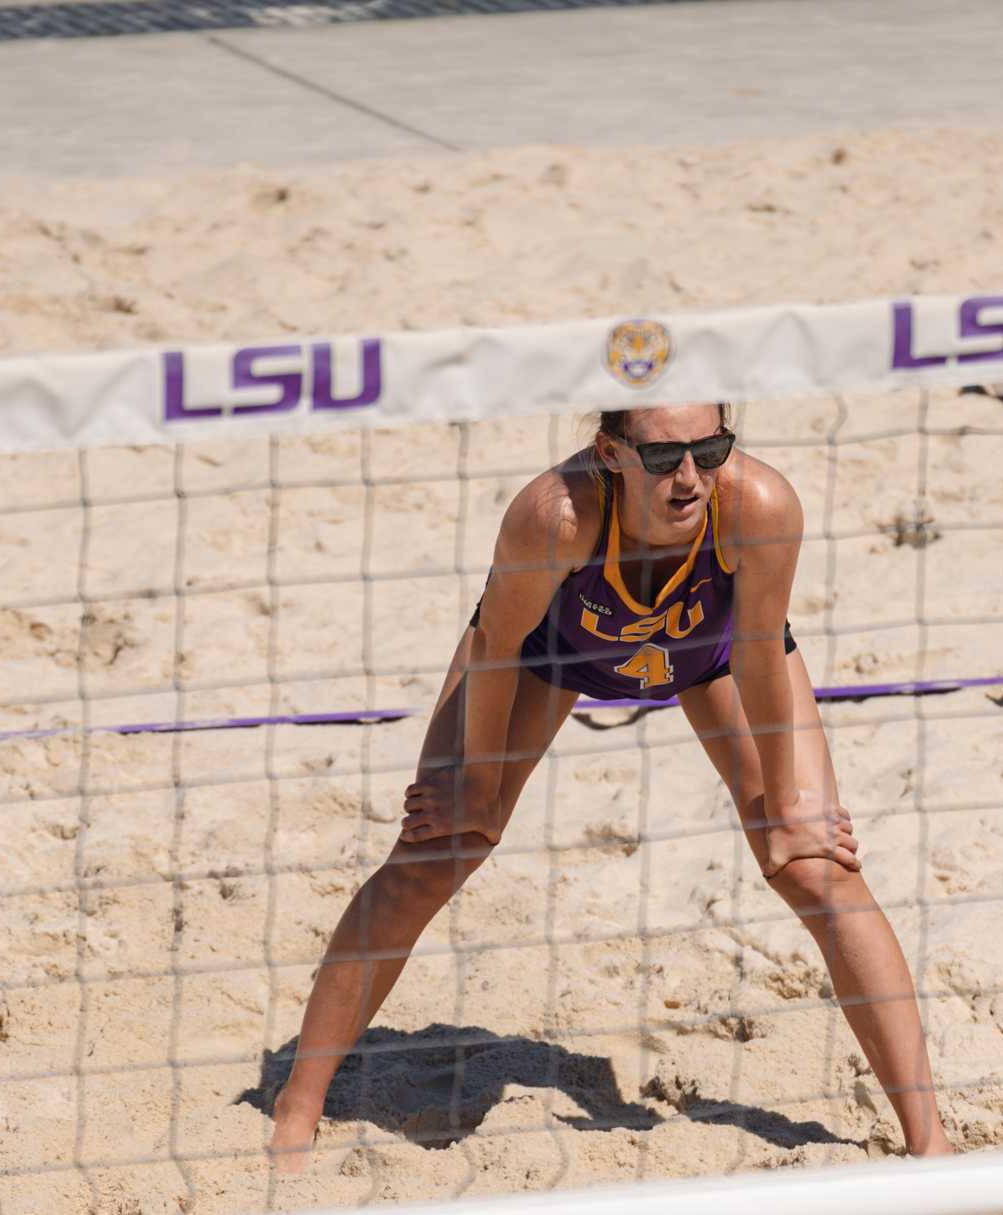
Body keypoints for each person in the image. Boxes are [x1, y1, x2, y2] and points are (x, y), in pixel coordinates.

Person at [265, 402, 953, 1169]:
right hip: (545, 655)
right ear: (610, 452)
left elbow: (760, 650)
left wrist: (789, 806)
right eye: (663, 458)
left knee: (817, 868)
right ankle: (298, 1104)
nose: (690, 476)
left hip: (712, 651)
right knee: (439, 848)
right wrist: (478, 788)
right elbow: (494, 653)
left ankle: (931, 1141)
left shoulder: (759, 504)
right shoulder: (555, 516)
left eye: (711, 448)